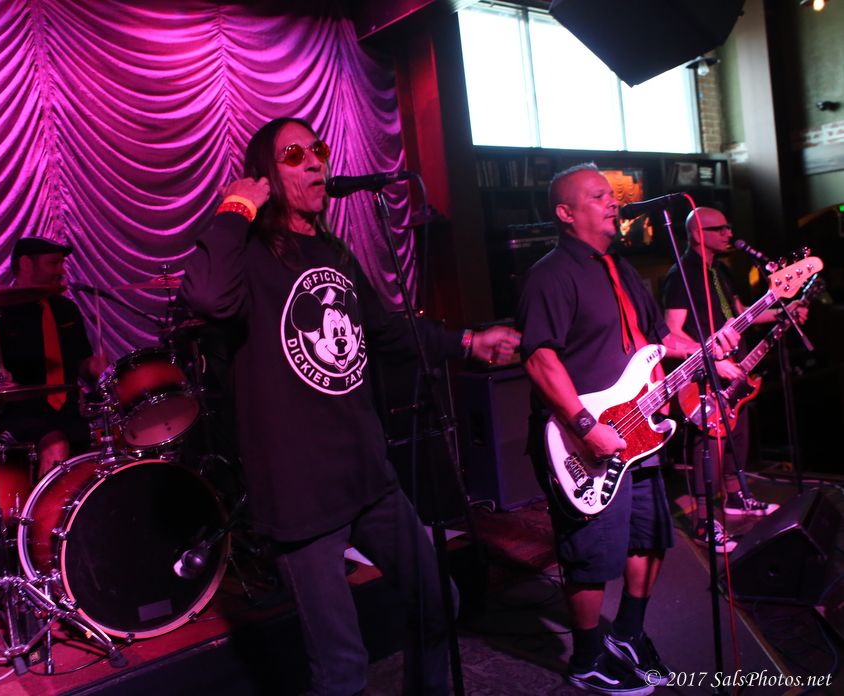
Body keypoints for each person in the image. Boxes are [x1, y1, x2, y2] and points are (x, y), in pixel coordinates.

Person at [179, 116, 519, 695]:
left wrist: (466, 342)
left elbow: (386, 330)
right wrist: (236, 208)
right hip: (301, 494)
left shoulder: (333, 251)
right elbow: (207, 296)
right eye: (294, 155)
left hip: (368, 475)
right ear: (264, 175)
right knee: (341, 668)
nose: (316, 161)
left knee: (438, 602)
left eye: (318, 149)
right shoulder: (250, 255)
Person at [517, 164, 740, 695]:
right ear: (566, 213)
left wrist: (710, 349)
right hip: (583, 438)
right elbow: (540, 359)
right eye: (598, 196)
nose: (613, 202)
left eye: (612, 195)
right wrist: (585, 426)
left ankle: (628, 634)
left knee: (651, 536)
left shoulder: (621, 269)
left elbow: (660, 339)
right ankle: (587, 658)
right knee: (590, 553)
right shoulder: (550, 275)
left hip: (640, 430)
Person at [662, 207, 807, 551]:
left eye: (729, 227)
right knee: (710, 443)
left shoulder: (720, 270)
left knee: (737, 434)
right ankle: (703, 521)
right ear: (697, 234)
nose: (729, 233)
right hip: (704, 372)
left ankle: (735, 498)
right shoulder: (683, 274)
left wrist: (783, 309)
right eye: (721, 229)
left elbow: (741, 315)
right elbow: (671, 331)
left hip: (733, 367)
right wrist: (711, 358)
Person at [0, 238, 108, 477]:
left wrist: (93, 367)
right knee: (55, 444)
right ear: (27, 264)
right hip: (19, 416)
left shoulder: (67, 309)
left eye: (62, 264)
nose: (62, 271)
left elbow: (81, 362)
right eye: (54, 263)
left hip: (70, 414)